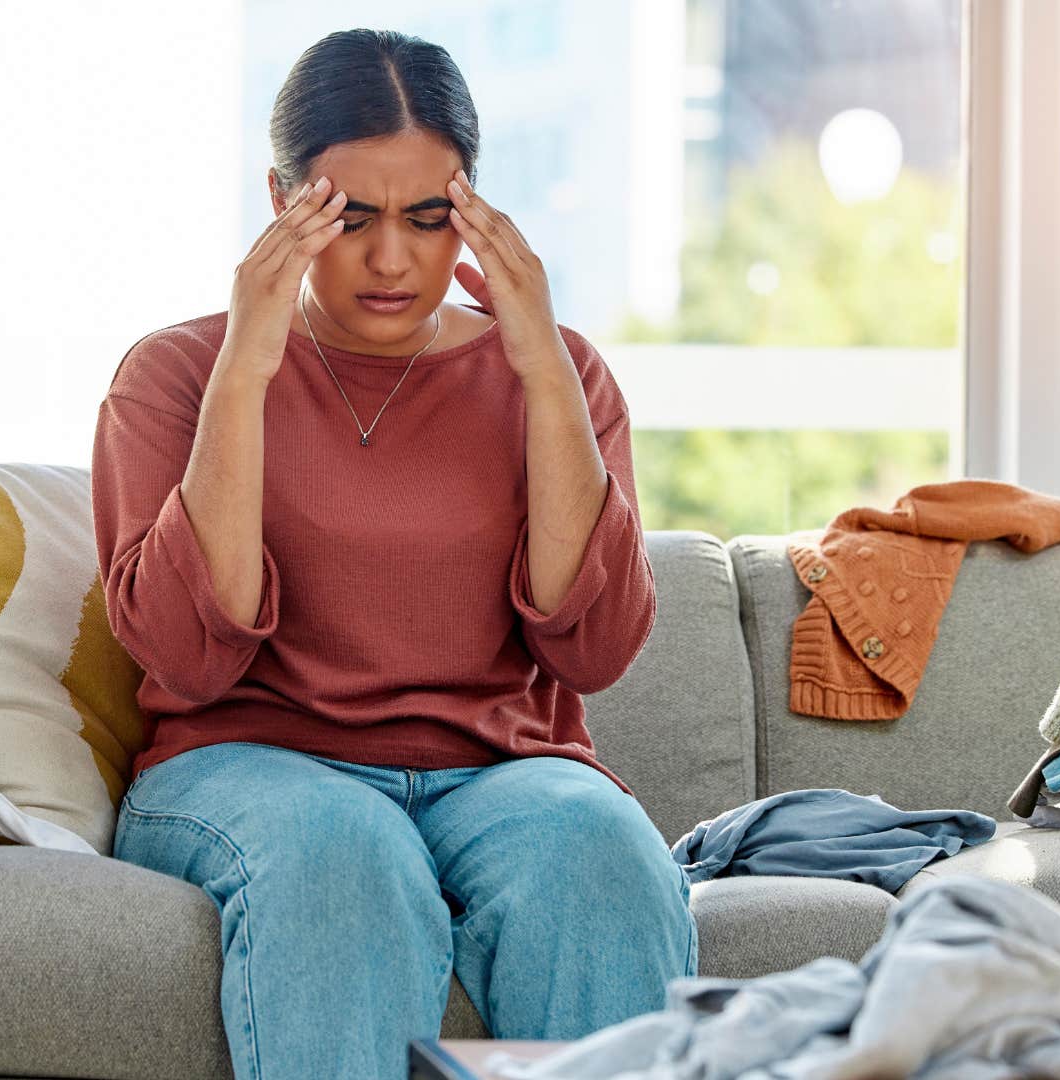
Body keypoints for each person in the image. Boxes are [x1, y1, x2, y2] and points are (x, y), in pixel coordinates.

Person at [90, 27, 697, 1080]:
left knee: (600, 850)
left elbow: (594, 649)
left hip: (501, 774)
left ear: (474, 210)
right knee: (345, 854)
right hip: (248, 768)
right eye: (349, 217)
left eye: (427, 218)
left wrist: (542, 370)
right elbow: (188, 657)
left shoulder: (559, 376)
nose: (390, 260)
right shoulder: (177, 374)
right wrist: (248, 366)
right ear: (281, 201)